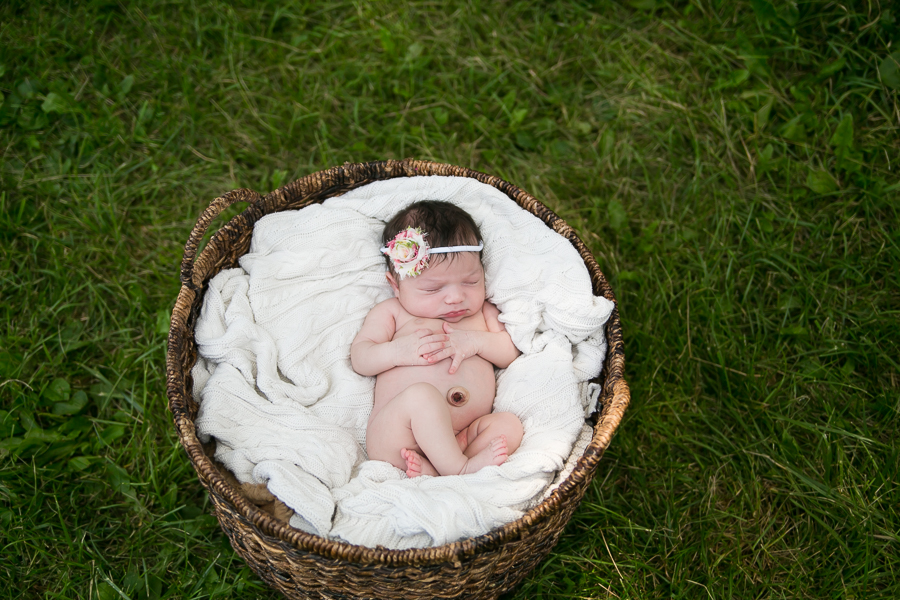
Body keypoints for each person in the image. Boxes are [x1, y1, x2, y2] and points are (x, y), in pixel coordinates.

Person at [351, 200, 524, 477]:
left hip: (464, 436)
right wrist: (398, 352)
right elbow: (361, 357)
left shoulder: (481, 313)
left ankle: (443, 467)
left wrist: (475, 342)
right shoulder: (393, 313)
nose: (456, 297)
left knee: (510, 426)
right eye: (433, 289)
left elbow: (509, 352)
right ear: (395, 285)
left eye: (470, 282)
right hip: (400, 437)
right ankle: (459, 468)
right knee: (421, 397)